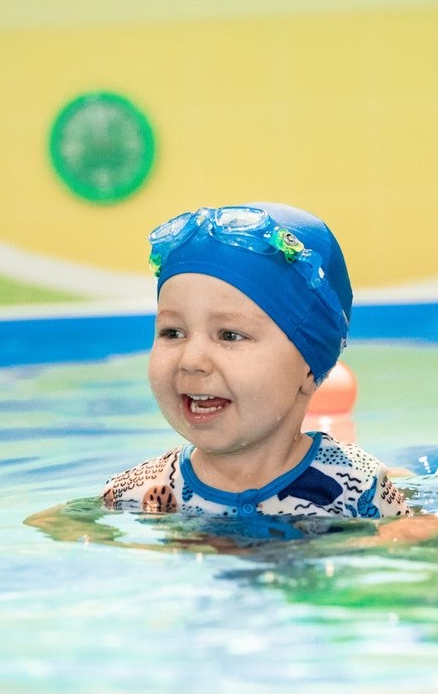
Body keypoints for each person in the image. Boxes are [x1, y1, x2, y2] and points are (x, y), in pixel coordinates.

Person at [99, 202, 408, 518]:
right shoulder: (135, 494)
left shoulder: (357, 489)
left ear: (307, 367)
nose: (190, 360)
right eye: (172, 332)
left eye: (229, 335)